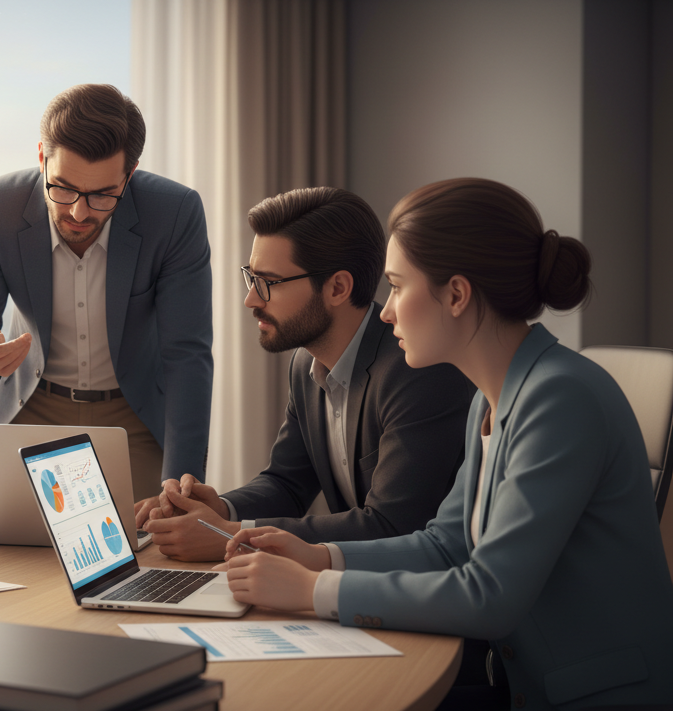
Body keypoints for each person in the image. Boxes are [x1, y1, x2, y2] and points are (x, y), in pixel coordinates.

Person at [218, 178, 673, 711]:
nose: (384, 310)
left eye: (397, 286)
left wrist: (312, 591)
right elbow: (445, 543)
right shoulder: (492, 397)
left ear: (456, 294)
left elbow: (489, 596)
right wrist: (320, 557)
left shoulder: (560, 399)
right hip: (527, 695)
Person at [136, 187, 475, 561]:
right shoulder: (305, 364)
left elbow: (393, 525)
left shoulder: (417, 373)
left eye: (268, 283)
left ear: (337, 288)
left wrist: (232, 536)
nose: (251, 299)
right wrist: (221, 509)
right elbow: (287, 483)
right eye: (251, 278)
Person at [0, 84, 212, 502]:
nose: (78, 212)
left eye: (102, 195)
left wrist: (183, 478)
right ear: (41, 158)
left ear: (129, 174)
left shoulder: (175, 213)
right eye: (63, 188)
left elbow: (187, 354)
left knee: (149, 534)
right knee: (3, 538)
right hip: (33, 406)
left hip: (133, 417)